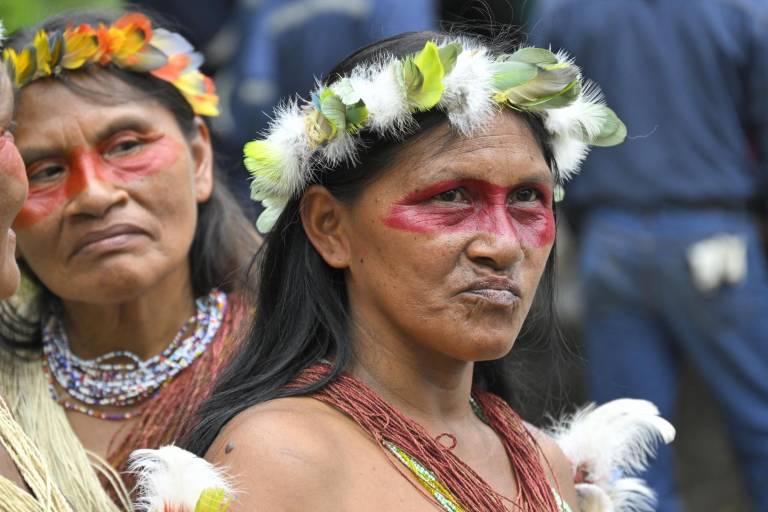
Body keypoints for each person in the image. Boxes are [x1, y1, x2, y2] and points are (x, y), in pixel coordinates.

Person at [175, 31, 658, 512]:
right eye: (451, 196)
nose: (504, 245)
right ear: (329, 227)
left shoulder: (542, 460)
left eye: (527, 198)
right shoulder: (282, 460)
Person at [0, 9, 259, 509]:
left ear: (200, 159)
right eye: (47, 170)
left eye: (126, 146)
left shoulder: (298, 364)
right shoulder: (7, 390)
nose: (94, 196)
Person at [532, 1, 768, 510]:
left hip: (609, 239)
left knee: (630, 446)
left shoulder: (568, 10)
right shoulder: (742, 9)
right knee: (762, 422)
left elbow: (544, 122)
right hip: (714, 234)